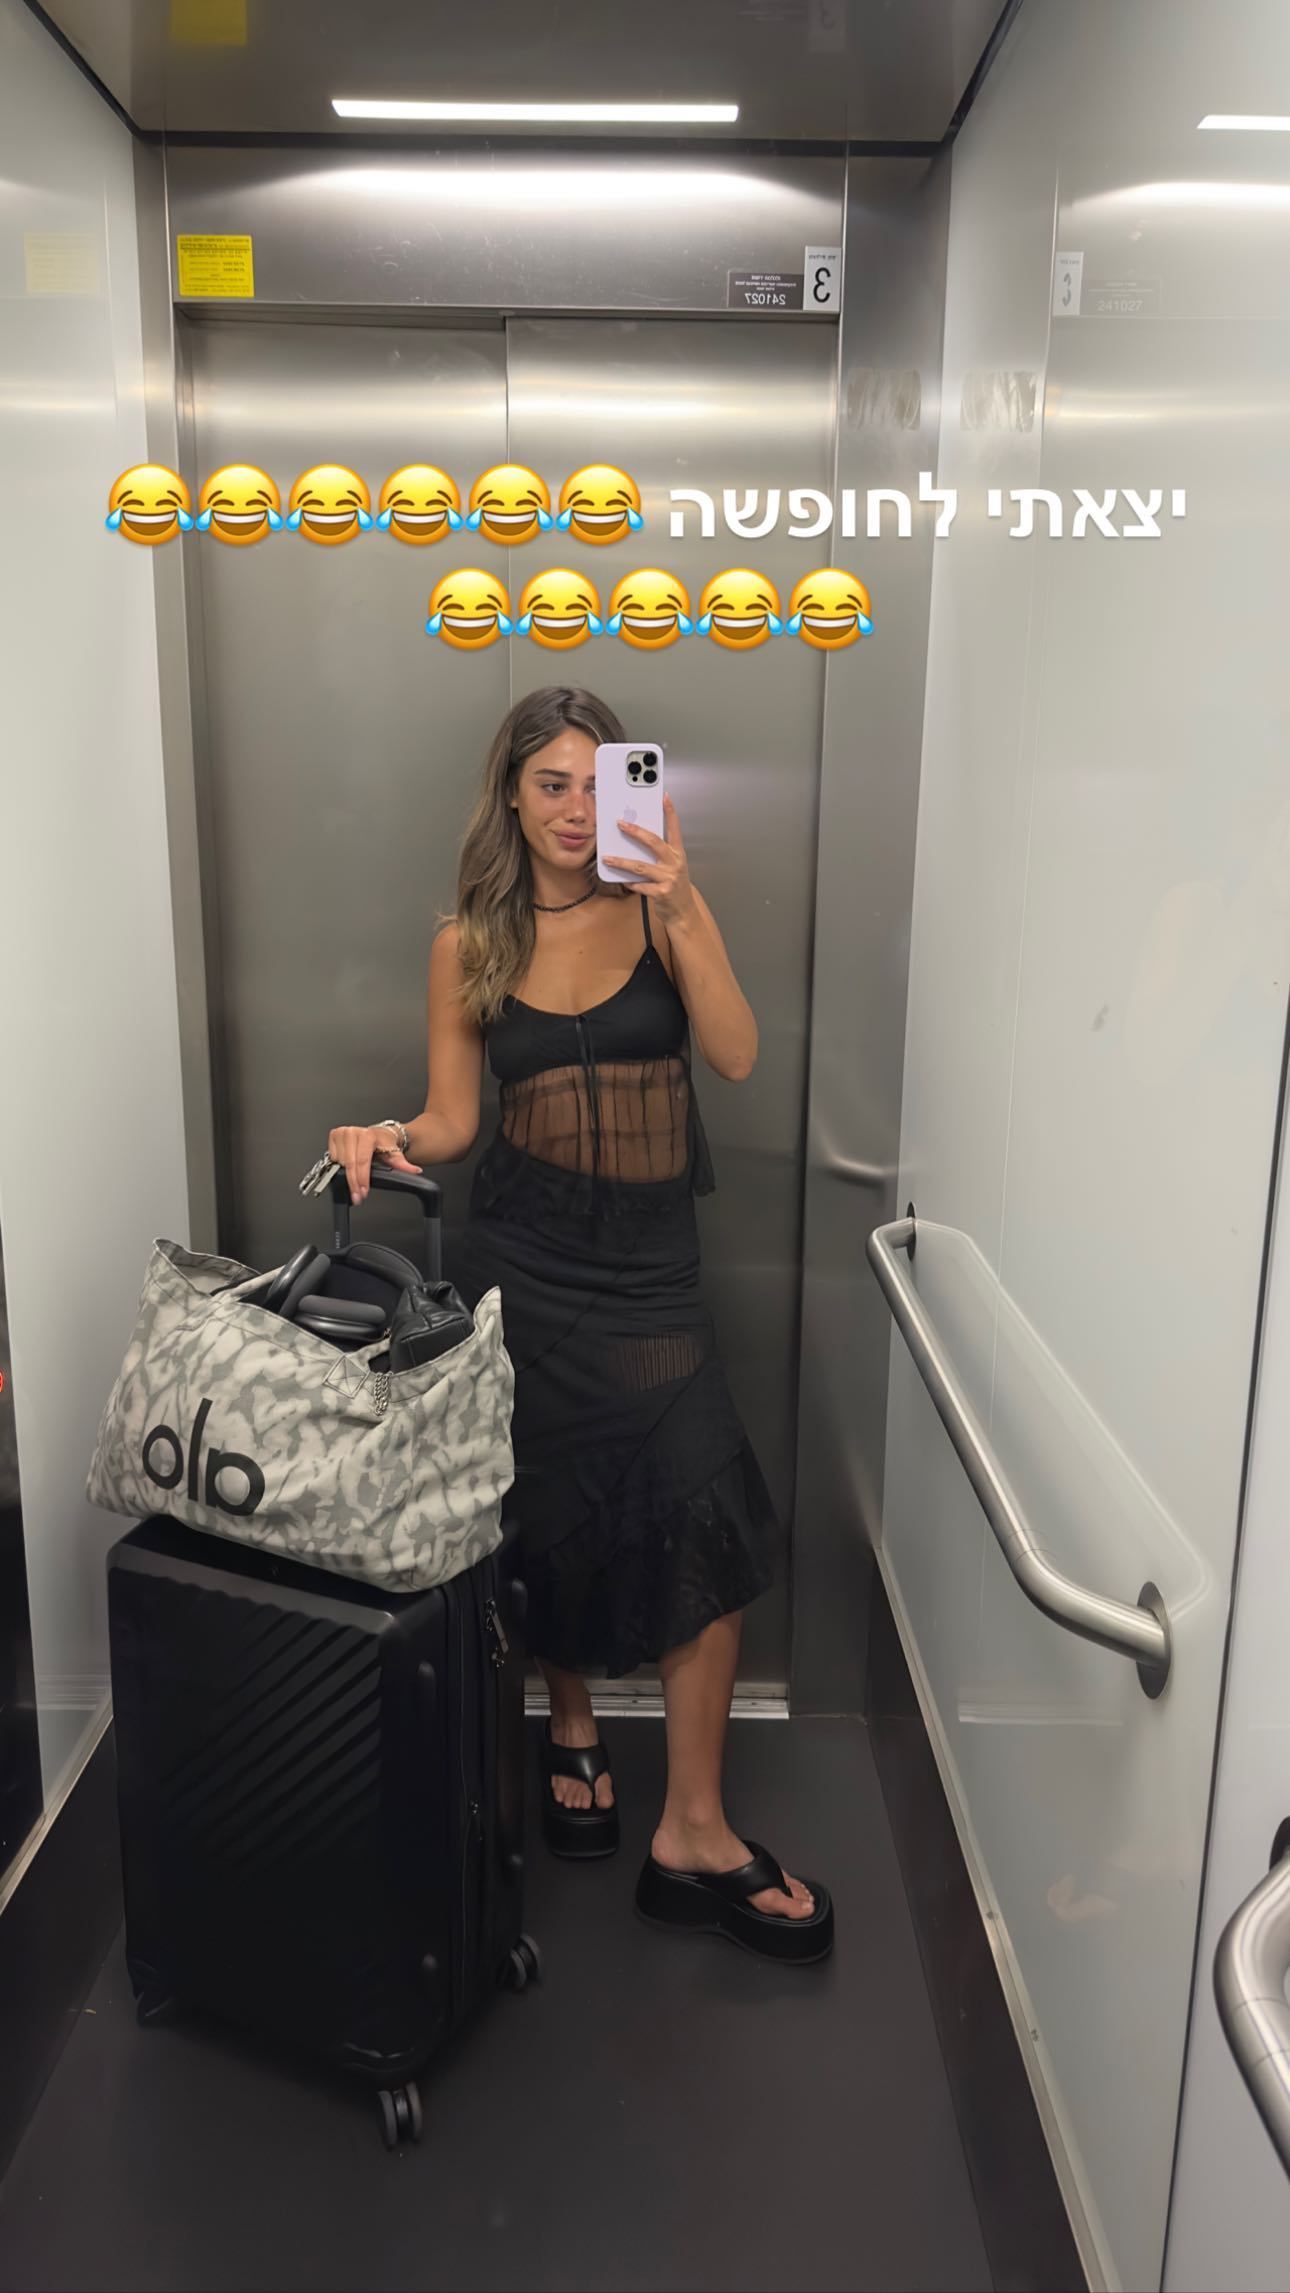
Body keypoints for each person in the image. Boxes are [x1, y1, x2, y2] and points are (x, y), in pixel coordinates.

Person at [327, 686, 832, 1963]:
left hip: (653, 1273)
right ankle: (571, 1724)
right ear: (511, 793)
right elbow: (453, 1119)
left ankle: (694, 1832)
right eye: (550, 783)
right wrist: (381, 1133)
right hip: (530, 1262)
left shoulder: (660, 907)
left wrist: (683, 902)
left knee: (702, 1503)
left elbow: (735, 1053)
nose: (572, 808)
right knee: (545, 1508)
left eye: (596, 783)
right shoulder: (470, 943)